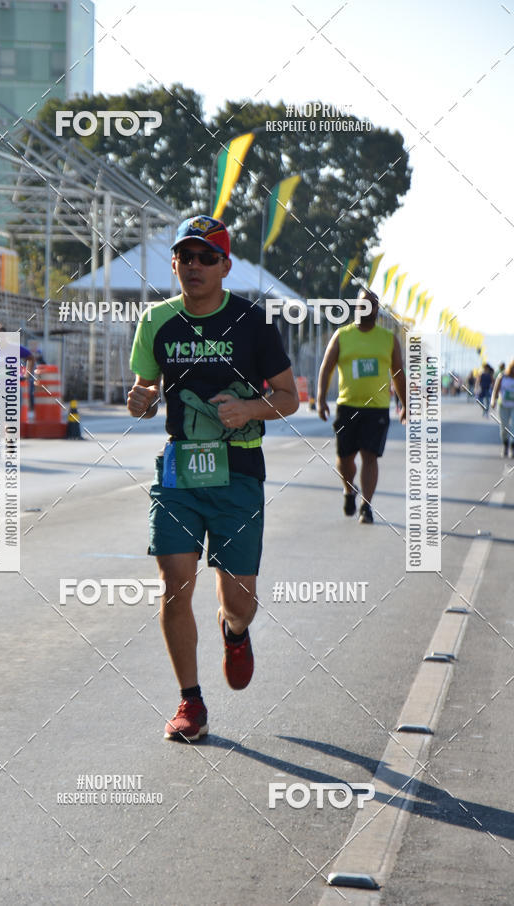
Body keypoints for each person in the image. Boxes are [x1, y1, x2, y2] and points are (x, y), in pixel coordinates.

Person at [127, 215, 299, 742]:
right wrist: (139, 399)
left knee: (239, 602)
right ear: (174, 264)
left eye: (206, 257)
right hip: (179, 472)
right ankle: (190, 702)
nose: (194, 266)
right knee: (174, 586)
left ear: (225, 265)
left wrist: (248, 408)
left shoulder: (253, 324)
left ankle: (236, 632)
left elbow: (290, 398)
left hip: (239, 474)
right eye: (186, 256)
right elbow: (142, 390)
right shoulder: (157, 321)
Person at [316, 287, 407, 524]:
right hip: (347, 407)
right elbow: (326, 367)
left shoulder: (388, 339)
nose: (366, 308)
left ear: (377, 309)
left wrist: (405, 404)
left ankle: (366, 506)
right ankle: (348, 490)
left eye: (371, 304)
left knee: (370, 456)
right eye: (361, 304)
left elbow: (398, 373)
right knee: (345, 458)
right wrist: (320, 399)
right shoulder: (342, 335)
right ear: (355, 307)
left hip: (376, 409)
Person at [490, 359, 514, 457]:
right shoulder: (502, 377)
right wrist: (493, 401)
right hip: (503, 405)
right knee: (504, 427)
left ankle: (512, 448)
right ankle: (505, 445)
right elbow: (496, 389)